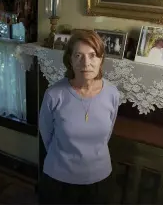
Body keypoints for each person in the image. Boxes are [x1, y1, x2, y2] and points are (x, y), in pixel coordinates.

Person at [38, 30, 120, 204]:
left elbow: (107, 134)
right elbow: (47, 136)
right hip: (58, 180)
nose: (86, 63)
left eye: (92, 56)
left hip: (99, 179)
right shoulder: (54, 95)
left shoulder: (112, 93)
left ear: (101, 59)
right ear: (70, 60)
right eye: (78, 55)